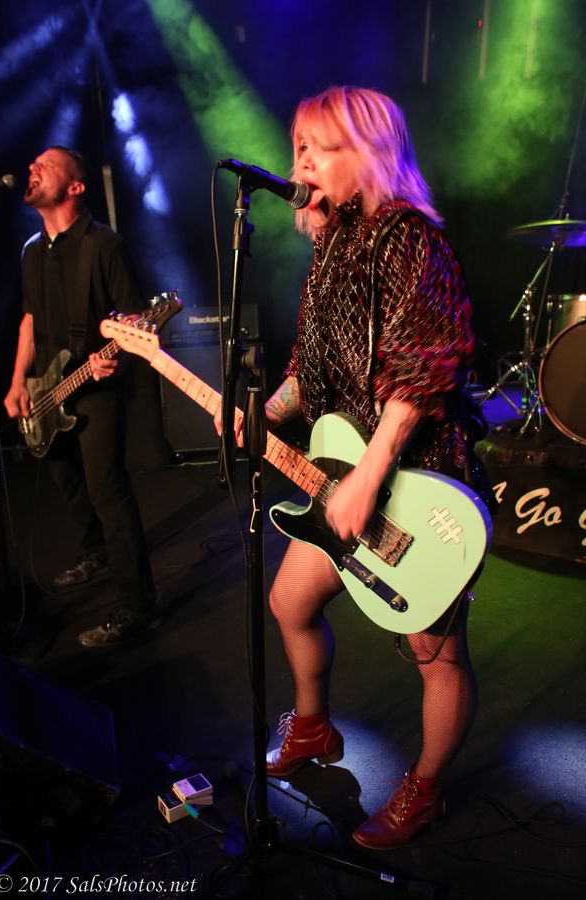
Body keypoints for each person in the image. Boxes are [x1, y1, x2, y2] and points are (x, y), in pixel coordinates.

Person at [217, 86, 491, 849]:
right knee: (289, 601)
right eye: (297, 148)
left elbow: (426, 367)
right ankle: (313, 726)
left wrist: (369, 478)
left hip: (416, 479)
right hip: (344, 472)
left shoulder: (408, 239)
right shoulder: (331, 247)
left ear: (366, 154)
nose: (297, 164)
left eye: (316, 148)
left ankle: (425, 790)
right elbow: (310, 370)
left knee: (437, 657)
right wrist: (265, 414)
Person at [4, 146, 158, 647]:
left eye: (45, 165)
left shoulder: (104, 245)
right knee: (67, 479)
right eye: (33, 164)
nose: (32, 168)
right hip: (45, 389)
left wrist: (114, 358)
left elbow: (136, 322)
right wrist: (17, 382)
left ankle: (138, 607)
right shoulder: (32, 250)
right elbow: (29, 319)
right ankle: (96, 554)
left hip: (96, 385)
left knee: (106, 489)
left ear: (75, 186)